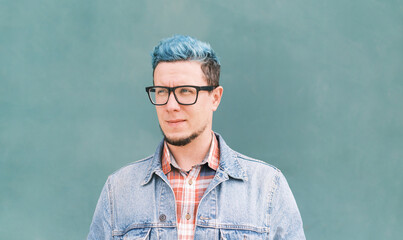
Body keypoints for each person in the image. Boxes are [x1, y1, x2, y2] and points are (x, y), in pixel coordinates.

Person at [87, 35, 305, 240]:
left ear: (215, 98)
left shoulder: (267, 187)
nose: (171, 106)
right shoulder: (118, 190)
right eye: (161, 91)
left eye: (185, 91)